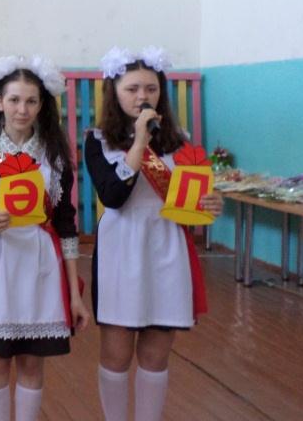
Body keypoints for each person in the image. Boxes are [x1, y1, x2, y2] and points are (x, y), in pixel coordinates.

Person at [0, 56, 90, 421]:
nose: (22, 109)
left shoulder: (54, 155)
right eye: (14, 100)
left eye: (30, 101)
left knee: (31, 361)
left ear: (42, 105)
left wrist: (75, 294)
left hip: (40, 266)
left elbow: (66, 224)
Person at [86, 47, 223, 421]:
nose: (142, 96)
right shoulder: (98, 140)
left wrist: (210, 203)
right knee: (116, 354)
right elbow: (113, 196)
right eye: (132, 89)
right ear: (114, 92)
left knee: (156, 354)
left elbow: (190, 198)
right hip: (120, 248)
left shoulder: (181, 141)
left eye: (150, 88)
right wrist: (139, 143)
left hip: (166, 249)